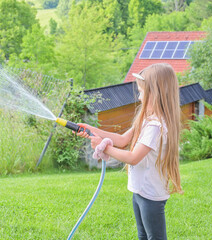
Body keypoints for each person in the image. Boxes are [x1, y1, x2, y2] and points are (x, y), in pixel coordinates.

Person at [76, 63, 183, 240]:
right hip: (140, 190)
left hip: (151, 195)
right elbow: (122, 140)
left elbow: (133, 158)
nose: (139, 97)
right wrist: (91, 129)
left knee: (155, 238)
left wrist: (104, 147)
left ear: (155, 93)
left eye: (142, 92)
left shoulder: (156, 126)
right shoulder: (147, 119)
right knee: (142, 235)